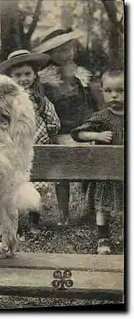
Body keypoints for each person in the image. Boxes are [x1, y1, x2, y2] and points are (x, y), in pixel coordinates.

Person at [33, 27, 100, 225]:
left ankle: (89, 208)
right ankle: (64, 214)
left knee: (93, 166)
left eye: (70, 49)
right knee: (62, 174)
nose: (68, 54)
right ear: (50, 54)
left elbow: (89, 103)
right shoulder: (45, 80)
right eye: (62, 50)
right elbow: (47, 107)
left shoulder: (81, 75)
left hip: (84, 129)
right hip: (61, 132)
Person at [0, 49, 61, 236]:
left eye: (27, 74)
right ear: (10, 78)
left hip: (36, 146)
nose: (23, 79)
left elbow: (53, 120)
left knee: (35, 183)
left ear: (34, 75)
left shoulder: (40, 98)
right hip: (13, 148)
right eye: (18, 75)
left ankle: (34, 223)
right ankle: (6, 224)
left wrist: (48, 133)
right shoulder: (5, 101)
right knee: (8, 185)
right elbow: (0, 121)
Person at [70, 70, 124, 254]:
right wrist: (97, 135)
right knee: (103, 206)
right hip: (105, 172)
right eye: (109, 91)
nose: (114, 95)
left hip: (125, 170)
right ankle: (103, 238)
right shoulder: (102, 116)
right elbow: (78, 133)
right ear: (101, 90)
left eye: (121, 90)